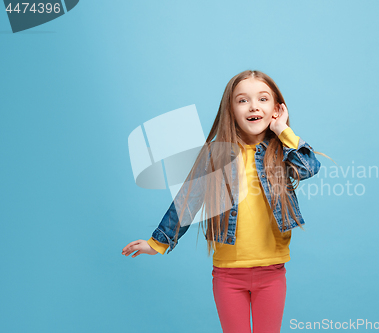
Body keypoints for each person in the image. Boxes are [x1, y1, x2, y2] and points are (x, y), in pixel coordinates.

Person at [122, 69, 322, 333]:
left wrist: (283, 130)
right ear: (231, 109)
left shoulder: (280, 151)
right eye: (243, 100)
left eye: (263, 99)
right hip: (228, 274)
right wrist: (157, 243)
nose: (253, 106)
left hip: (272, 272)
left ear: (276, 108)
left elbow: (309, 167)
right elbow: (187, 202)